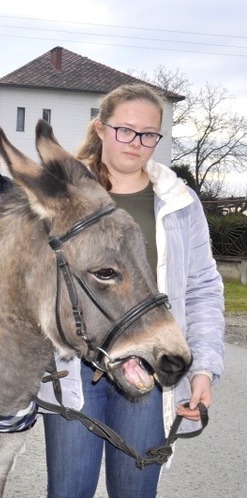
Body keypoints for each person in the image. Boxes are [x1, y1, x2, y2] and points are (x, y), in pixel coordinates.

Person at [40, 83, 225, 498]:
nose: (137, 143)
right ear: (102, 129)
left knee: (136, 491)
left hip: (150, 368)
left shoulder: (180, 203)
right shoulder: (63, 198)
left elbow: (202, 289)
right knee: (69, 491)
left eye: (148, 134)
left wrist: (203, 368)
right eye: (125, 130)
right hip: (76, 367)